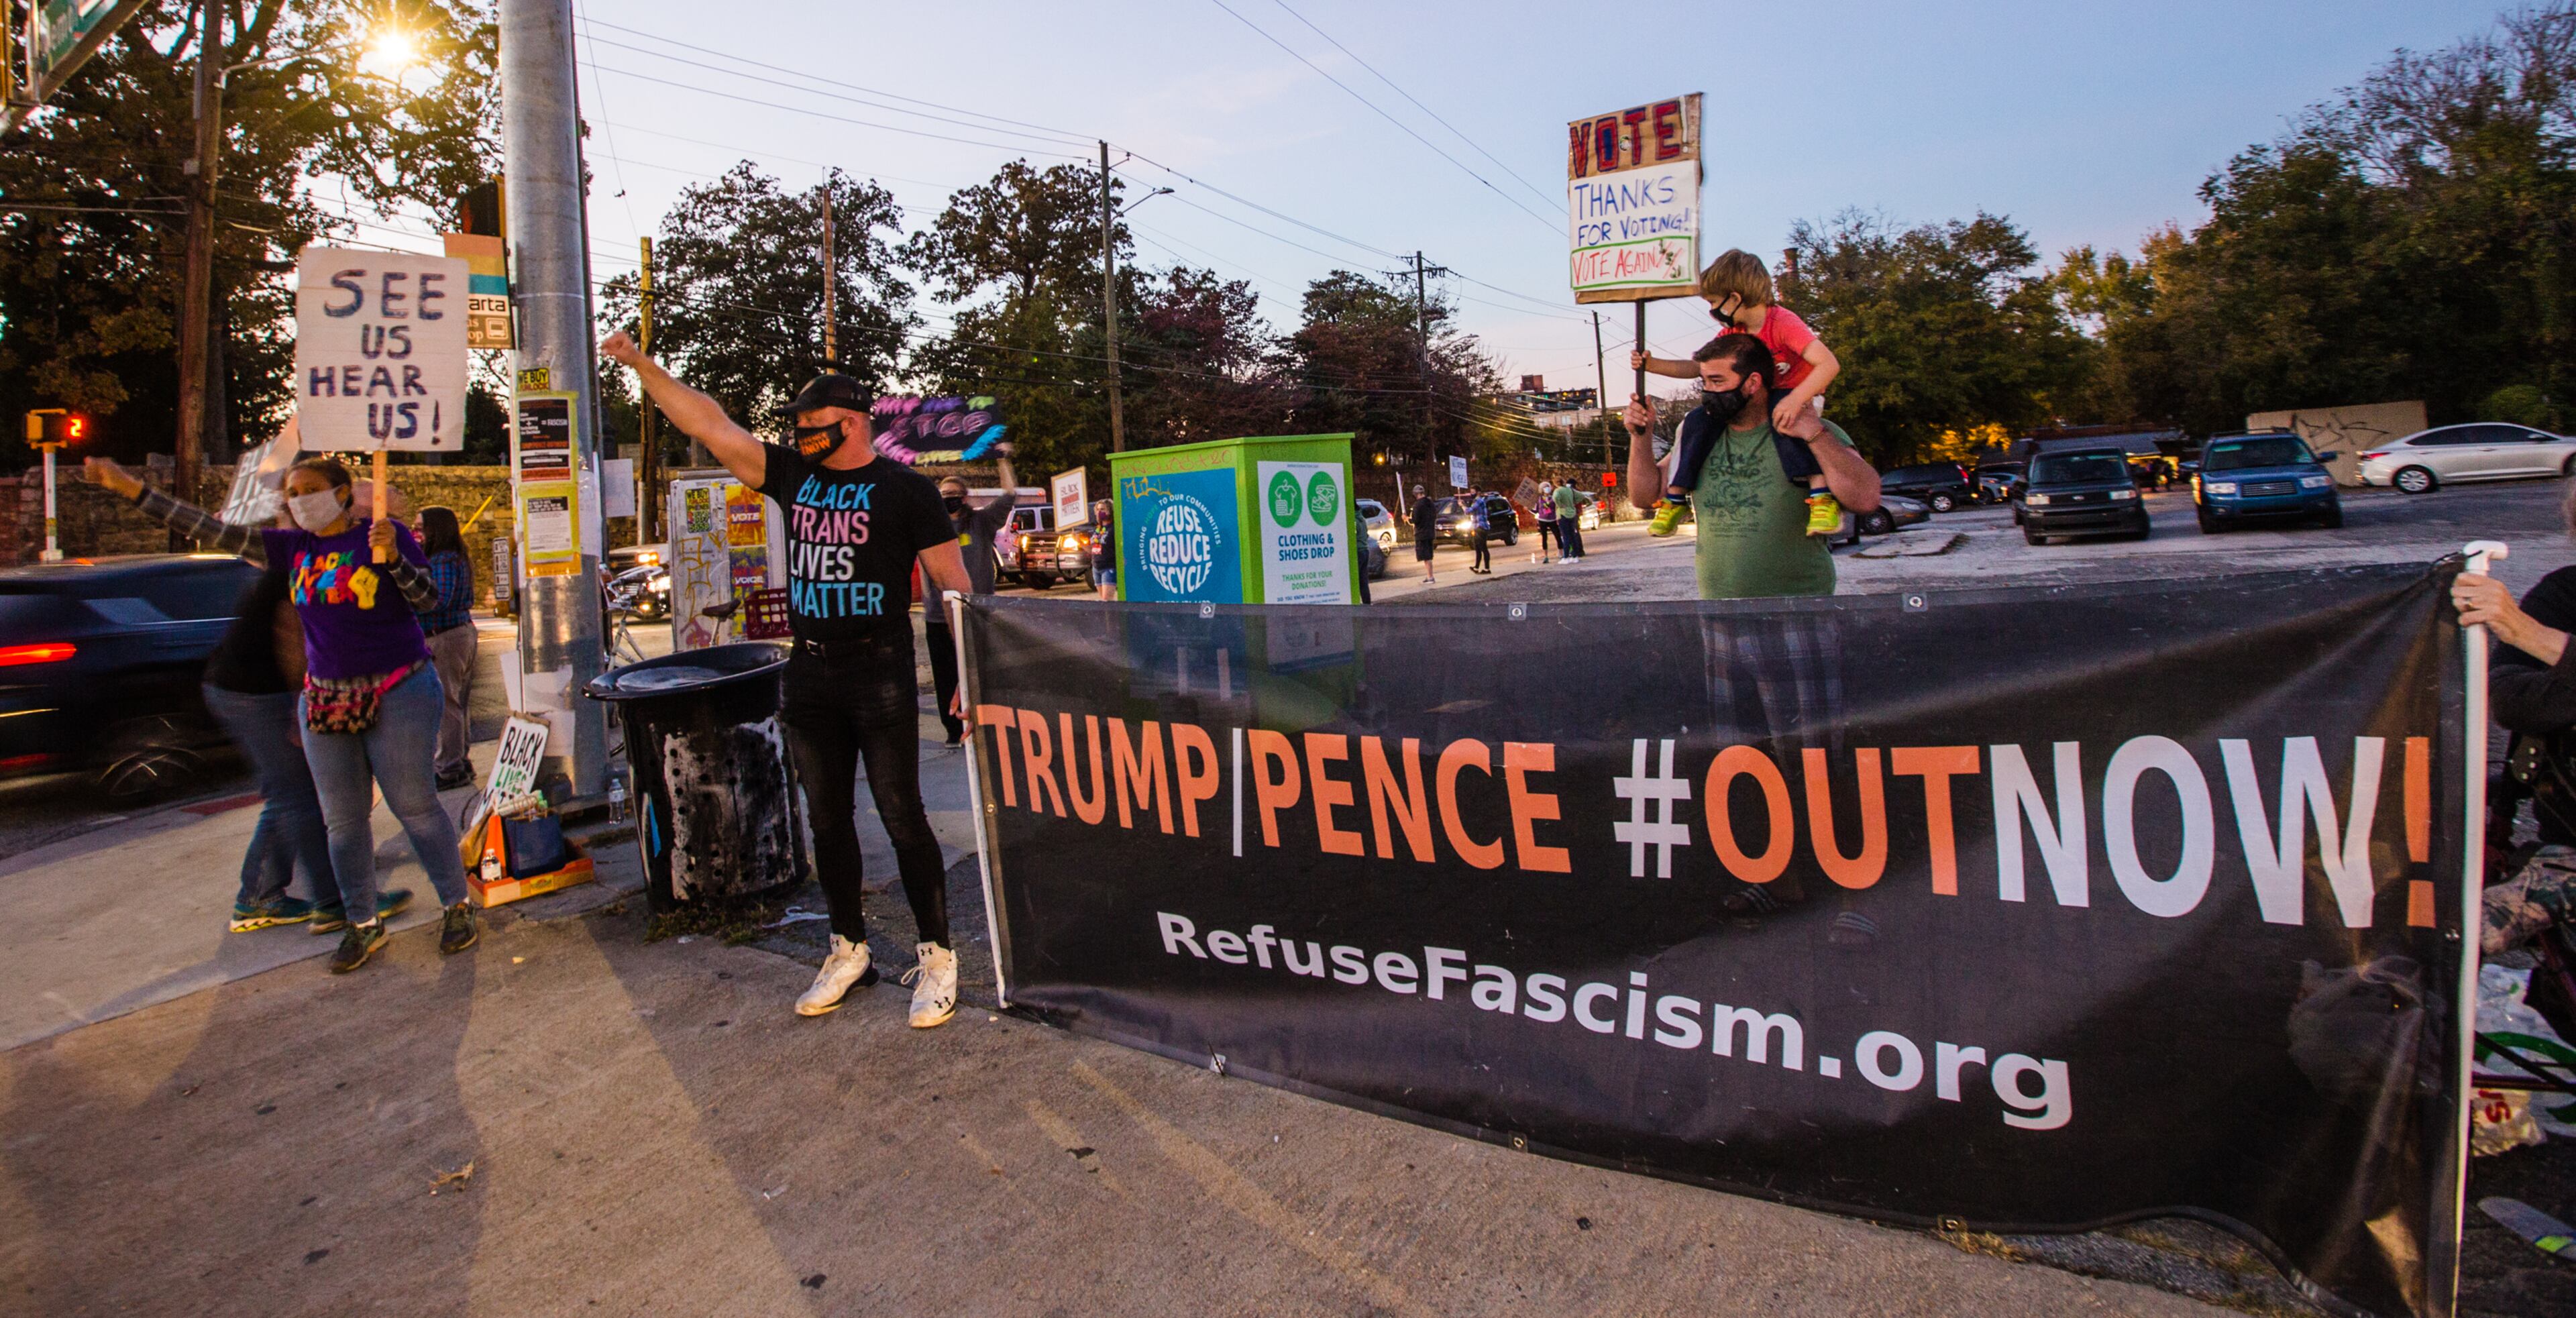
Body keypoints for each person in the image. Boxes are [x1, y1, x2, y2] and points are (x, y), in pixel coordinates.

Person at [602, 329, 974, 1030]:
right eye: (797, 429)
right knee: (826, 818)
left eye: (814, 428)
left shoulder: (905, 490)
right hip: (809, 669)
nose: (802, 439)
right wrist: (640, 364)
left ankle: (938, 956)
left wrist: (973, 678)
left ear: (854, 423)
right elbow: (708, 422)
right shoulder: (793, 476)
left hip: (882, 669)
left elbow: (953, 590)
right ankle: (848, 946)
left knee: (902, 815)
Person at [91, 455, 472, 973]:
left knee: (415, 806)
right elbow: (208, 530)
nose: (299, 499)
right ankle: (361, 921)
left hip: (398, 689)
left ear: (341, 494)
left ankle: (456, 906)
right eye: (293, 491)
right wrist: (131, 488)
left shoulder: (387, 535)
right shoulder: (293, 549)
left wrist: (396, 562)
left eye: (311, 488)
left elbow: (428, 602)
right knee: (342, 821)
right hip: (325, 698)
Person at [1624, 333, 1880, 602]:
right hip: (1720, 612)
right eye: (1705, 382)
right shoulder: (1700, 439)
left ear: (1753, 383)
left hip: (1802, 608)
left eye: (1717, 381)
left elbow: (1866, 499)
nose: (1707, 392)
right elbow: (1644, 496)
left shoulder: (1811, 431)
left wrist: (1815, 434)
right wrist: (1641, 435)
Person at [1633, 250, 1845, 538]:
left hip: (1797, 395)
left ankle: (1821, 497)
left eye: (1712, 302)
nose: (1711, 310)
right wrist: (1653, 365)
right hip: (1758, 399)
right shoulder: (1735, 336)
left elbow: (1828, 363)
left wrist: (1798, 398)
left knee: (1787, 423)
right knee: (1696, 421)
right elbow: (1698, 367)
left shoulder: (1782, 323)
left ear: (1734, 299)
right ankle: (1676, 497)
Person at [2457, 539, 2576, 954]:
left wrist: (2533, 637)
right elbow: (2511, 700)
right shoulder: (2564, 592)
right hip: (2565, 856)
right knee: (2444, 942)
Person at [925, 455, 1018, 747]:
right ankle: (953, 730)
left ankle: (984, 722)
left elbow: (1010, 495)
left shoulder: (980, 522)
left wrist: (1003, 461)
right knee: (946, 675)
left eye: (954, 495)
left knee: (980, 671)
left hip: (976, 612)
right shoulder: (928, 526)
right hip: (938, 616)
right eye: (944, 496)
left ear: (965, 498)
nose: (949, 500)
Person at [414, 506, 478, 790]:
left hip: (445, 636)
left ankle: (449, 767)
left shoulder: (442, 560)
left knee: (446, 704)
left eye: (420, 527)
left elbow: (438, 599)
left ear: (435, 529)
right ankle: (460, 760)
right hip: (459, 633)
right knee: (458, 703)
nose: (416, 533)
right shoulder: (456, 556)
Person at [1090, 498, 1118, 601]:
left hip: (1108, 566)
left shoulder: (1114, 528)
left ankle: (1114, 617)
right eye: (1098, 510)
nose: (1100, 512)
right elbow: (1092, 549)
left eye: (1103, 509)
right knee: (1103, 600)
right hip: (1096, 566)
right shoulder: (1098, 529)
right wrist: (1079, 542)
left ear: (1110, 510)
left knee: (1107, 599)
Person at [1409, 483, 1438, 584]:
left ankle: (1430, 577)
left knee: (1426, 557)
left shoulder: (1418, 505)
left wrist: (1407, 519)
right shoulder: (1430, 503)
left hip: (1422, 533)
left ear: (1416, 494)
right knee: (1429, 556)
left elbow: (1415, 520)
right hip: (1430, 532)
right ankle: (1429, 576)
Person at [1552, 480, 1586, 561]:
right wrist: (1573, 503)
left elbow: (1556, 498)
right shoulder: (1570, 490)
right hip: (1572, 514)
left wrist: (1560, 505)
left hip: (1563, 514)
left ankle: (1566, 556)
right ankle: (1575, 555)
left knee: (1565, 536)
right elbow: (1581, 496)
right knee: (1573, 535)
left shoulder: (1558, 491)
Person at [1468, 491, 1496, 575]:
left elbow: (1469, 511)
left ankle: (1487, 569)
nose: (1471, 493)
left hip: (1481, 527)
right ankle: (1476, 567)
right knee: (1478, 548)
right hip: (1477, 527)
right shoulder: (1478, 501)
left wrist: (1462, 506)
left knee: (1483, 548)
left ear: (1478, 492)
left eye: (1473, 492)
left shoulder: (1479, 501)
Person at [1534, 480, 1559, 562]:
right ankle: (1546, 556)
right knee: (1544, 538)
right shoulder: (1539, 499)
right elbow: (1536, 510)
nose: (1546, 489)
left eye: (1547, 487)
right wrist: (1528, 508)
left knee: (1558, 536)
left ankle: (1561, 553)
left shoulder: (1553, 498)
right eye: (1544, 487)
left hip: (1552, 519)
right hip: (1542, 520)